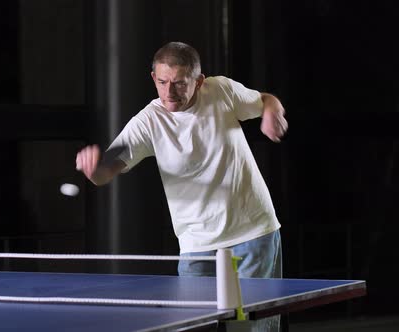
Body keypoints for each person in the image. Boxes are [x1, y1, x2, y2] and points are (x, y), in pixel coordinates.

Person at [76, 41, 287, 280]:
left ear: (199, 81)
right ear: (153, 77)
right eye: (162, 82)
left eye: (179, 83)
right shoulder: (146, 122)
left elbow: (267, 100)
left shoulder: (221, 90)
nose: (169, 92)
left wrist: (272, 112)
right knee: (196, 318)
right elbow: (106, 171)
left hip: (253, 233)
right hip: (196, 245)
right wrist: (93, 169)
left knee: (250, 318)